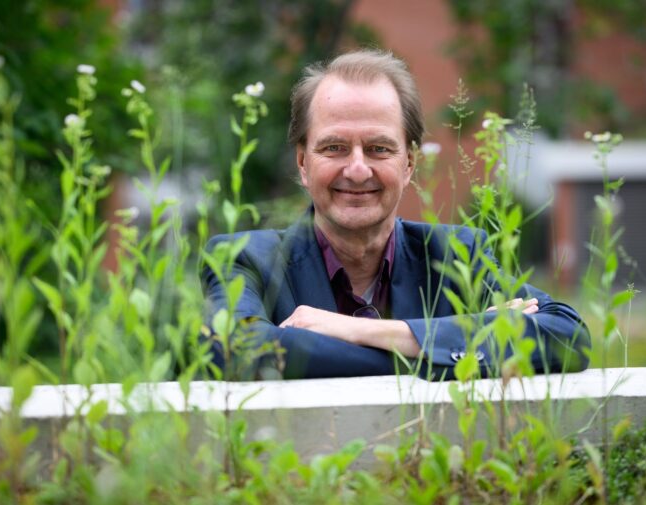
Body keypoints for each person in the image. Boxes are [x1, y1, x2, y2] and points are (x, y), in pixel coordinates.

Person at [202, 49, 590, 379]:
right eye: (334, 147)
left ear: (409, 163)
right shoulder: (245, 260)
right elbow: (236, 348)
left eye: (379, 149)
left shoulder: (457, 254)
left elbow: (567, 336)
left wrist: (354, 331)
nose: (356, 170)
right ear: (303, 163)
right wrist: (449, 347)